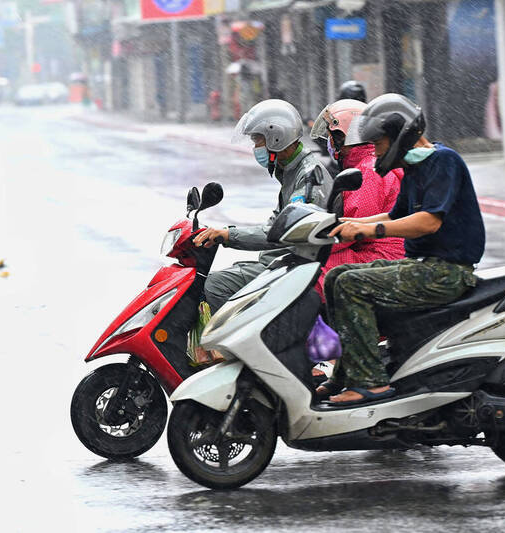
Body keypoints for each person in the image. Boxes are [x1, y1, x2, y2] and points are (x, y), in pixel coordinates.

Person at [322, 93, 486, 405]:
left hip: (445, 272)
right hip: (423, 266)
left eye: (379, 143)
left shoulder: (443, 162)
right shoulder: (416, 168)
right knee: (337, 277)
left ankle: (372, 384)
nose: (377, 150)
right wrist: (343, 223)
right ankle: (345, 376)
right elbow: (396, 216)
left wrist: (369, 228)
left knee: (351, 284)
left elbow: (428, 222)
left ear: (398, 136)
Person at [194, 99, 333, 311]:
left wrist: (228, 235)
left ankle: (228, 343)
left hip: (295, 266)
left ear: (276, 138)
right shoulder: (289, 172)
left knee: (215, 285)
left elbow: (283, 233)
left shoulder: (308, 177)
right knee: (222, 276)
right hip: (281, 261)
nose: (255, 148)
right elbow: (275, 223)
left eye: (258, 141)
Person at [309, 98, 405, 299]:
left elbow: (353, 228)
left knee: (313, 277)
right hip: (371, 249)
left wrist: (310, 243)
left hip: (380, 254)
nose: (329, 142)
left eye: (332, 137)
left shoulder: (368, 171)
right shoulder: (368, 163)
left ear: (345, 137)